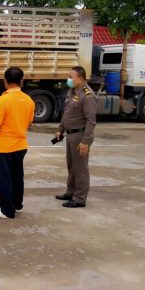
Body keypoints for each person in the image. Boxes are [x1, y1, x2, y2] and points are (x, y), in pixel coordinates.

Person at [0, 67, 35, 219]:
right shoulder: (29, 100)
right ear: (21, 80)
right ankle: (17, 205)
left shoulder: (2, 100)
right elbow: (29, 124)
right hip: (20, 145)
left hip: (4, 146)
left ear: (5, 81)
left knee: (4, 178)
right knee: (17, 176)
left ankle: (7, 210)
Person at [55, 66, 96, 208]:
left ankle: (80, 198)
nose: (68, 79)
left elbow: (91, 121)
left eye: (71, 77)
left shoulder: (87, 95)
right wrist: (60, 129)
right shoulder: (72, 91)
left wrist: (85, 141)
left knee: (80, 168)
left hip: (80, 135)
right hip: (70, 134)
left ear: (81, 79)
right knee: (72, 166)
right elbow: (67, 113)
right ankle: (71, 192)